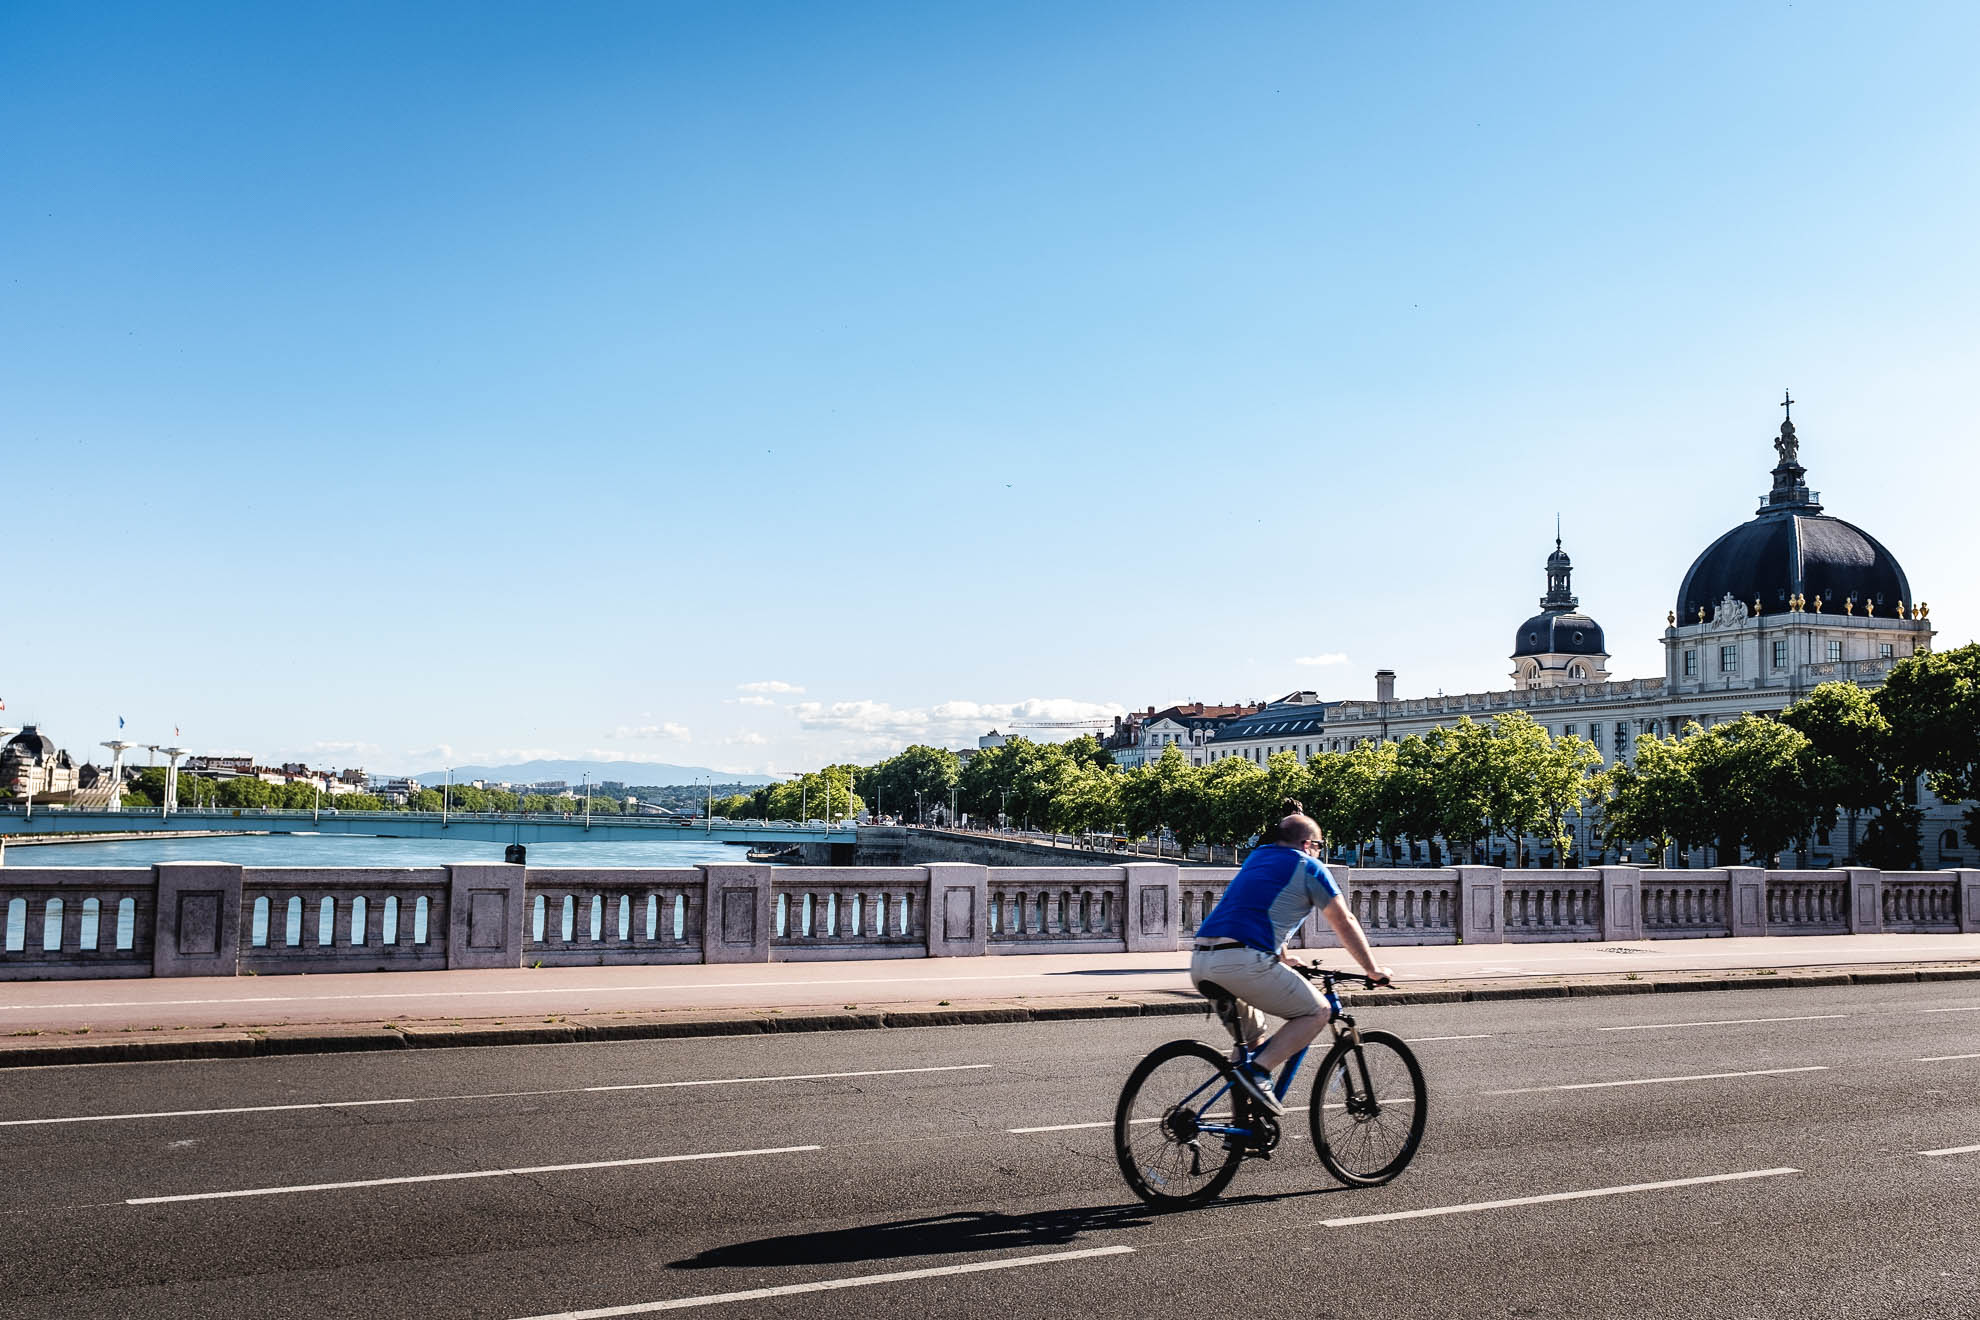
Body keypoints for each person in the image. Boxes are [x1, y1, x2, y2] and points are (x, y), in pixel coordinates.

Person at [1189, 811, 1392, 1117]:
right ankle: (1258, 1074)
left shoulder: (1257, 858)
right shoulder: (1309, 866)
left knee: (1254, 1039)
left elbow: (1257, 909)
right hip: (1243, 963)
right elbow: (1343, 921)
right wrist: (1372, 970)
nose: (1321, 851)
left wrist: (1283, 956)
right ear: (1307, 843)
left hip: (1202, 960)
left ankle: (1240, 1121)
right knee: (1319, 1010)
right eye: (1320, 845)